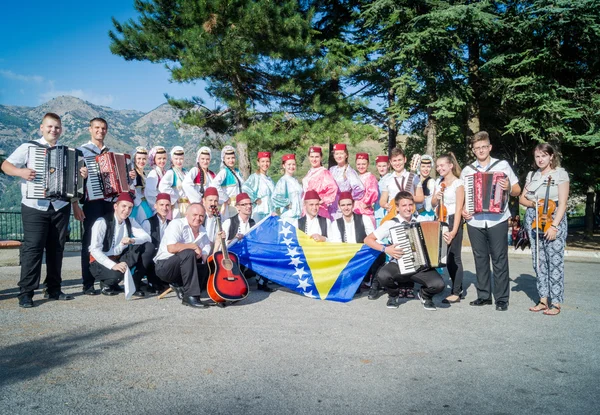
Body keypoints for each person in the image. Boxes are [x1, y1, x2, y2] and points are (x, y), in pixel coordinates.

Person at [1, 113, 83, 307]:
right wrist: (20, 171)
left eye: (57, 127)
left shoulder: (69, 152)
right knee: (33, 249)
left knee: (57, 249)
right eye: (50, 126)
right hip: (34, 206)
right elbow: (5, 165)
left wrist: (81, 179)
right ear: (41, 127)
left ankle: (53, 289)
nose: (53, 130)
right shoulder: (29, 147)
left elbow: (74, 182)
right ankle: (26, 292)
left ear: (61, 130)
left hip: (61, 206)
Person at [460, 131, 521, 311]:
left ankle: (502, 298)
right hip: (475, 221)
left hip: (498, 218)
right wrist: (464, 208)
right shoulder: (467, 170)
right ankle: (484, 296)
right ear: (473, 150)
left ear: (490, 147)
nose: (481, 150)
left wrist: (509, 187)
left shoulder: (502, 165)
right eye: (477, 148)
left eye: (484, 147)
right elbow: (462, 195)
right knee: (480, 258)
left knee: (499, 258)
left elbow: (517, 190)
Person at [364, 191, 445, 311]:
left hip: (421, 265)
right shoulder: (390, 223)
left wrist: (445, 235)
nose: (408, 208)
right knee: (383, 275)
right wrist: (386, 249)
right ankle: (393, 294)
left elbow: (436, 235)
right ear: (397, 208)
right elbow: (368, 239)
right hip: (399, 264)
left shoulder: (421, 220)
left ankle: (424, 295)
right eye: (404, 205)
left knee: (439, 285)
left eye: (410, 205)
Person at [519, 143, 569, 316]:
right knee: (538, 260)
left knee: (554, 261)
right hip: (534, 219)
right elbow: (522, 199)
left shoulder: (560, 174)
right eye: (537, 156)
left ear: (551, 157)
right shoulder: (532, 175)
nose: (540, 159)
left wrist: (554, 225)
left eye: (544, 156)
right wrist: (536, 204)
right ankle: (543, 299)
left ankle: (555, 303)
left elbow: (562, 203)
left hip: (553, 217)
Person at [76, 117, 116, 295]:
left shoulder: (111, 153)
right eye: (97, 128)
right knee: (89, 242)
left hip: (109, 202)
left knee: (108, 240)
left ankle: (107, 280)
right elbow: (73, 180)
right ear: (90, 129)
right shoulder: (81, 152)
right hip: (92, 202)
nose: (100, 131)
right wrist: (81, 176)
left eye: (103, 128)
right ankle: (88, 283)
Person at [379, 147, 424, 298]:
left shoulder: (414, 177)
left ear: (405, 160)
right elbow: (383, 199)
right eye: (394, 161)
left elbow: (420, 198)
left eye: (400, 160)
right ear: (390, 163)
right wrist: (385, 204)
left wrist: (408, 198)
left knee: (411, 250)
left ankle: (409, 284)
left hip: (410, 216)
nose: (397, 163)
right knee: (398, 250)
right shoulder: (388, 179)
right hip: (395, 217)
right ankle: (397, 282)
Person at [89, 192, 154, 296]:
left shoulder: (130, 221)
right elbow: (94, 250)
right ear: (116, 206)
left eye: (130, 207)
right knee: (117, 274)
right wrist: (113, 265)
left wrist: (132, 240)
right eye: (124, 206)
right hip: (99, 261)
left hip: (118, 257)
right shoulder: (101, 222)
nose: (127, 210)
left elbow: (147, 237)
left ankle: (134, 283)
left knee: (148, 247)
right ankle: (107, 284)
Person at [153, 203, 213, 308]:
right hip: (164, 267)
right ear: (186, 214)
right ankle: (190, 297)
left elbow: (207, 245)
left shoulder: (202, 230)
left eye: (201, 216)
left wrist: (204, 254)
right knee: (189, 252)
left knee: (206, 265)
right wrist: (193, 246)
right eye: (194, 215)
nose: (198, 218)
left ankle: (180, 285)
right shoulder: (176, 224)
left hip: (182, 268)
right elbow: (171, 248)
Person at [221, 193, 274, 292]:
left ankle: (261, 282)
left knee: (267, 252)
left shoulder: (253, 222)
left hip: (249, 254)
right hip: (233, 256)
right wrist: (234, 240)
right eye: (244, 204)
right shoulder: (229, 222)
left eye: (250, 204)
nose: (249, 206)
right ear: (238, 207)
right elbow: (221, 246)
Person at [431, 153, 465, 304]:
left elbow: (458, 209)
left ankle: (456, 292)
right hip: (439, 219)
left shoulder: (459, 184)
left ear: (451, 165)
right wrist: (436, 197)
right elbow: (432, 204)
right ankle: (454, 286)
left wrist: (453, 231)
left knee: (454, 256)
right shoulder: (439, 182)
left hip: (452, 220)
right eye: (437, 166)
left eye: (442, 165)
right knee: (443, 256)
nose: (439, 168)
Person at [142, 192, 172, 293]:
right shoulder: (147, 222)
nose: (165, 208)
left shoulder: (172, 224)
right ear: (155, 206)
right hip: (153, 259)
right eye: (161, 205)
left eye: (167, 205)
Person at [302, 146, 338, 220]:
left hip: (318, 210)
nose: (314, 159)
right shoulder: (310, 172)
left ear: (321, 158)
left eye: (317, 157)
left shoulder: (324, 172)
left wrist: (322, 200)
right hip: (307, 209)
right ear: (309, 157)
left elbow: (333, 188)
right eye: (312, 157)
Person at [329, 143, 365, 218]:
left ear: (346, 155)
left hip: (343, 209)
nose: (339, 156)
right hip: (331, 208)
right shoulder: (332, 170)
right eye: (336, 154)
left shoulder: (349, 171)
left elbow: (360, 189)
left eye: (341, 153)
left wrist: (348, 198)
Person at [211, 145, 245, 219]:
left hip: (239, 204)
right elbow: (214, 185)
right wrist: (225, 198)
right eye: (228, 158)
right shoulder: (224, 172)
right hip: (231, 205)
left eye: (233, 158)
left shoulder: (237, 172)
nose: (231, 160)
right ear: (224, 160)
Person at [242, 151, 275, 222]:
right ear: (258, 163)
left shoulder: (270, 180)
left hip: (270, 212)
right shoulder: (255, 177)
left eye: (267, 161)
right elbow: (245, 188)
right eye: (262, 161)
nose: (265, 164)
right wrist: (255, 198)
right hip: (259, 211)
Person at [272, 153, 303, 222]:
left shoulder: (295, 180)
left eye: (293, 164)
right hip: (289, 217)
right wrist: (287, 203)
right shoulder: (283, 181)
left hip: (298, 217)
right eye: (289, 164)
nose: (291, 166)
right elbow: (275, 197)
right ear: (284, 166)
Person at [159, 146, 188, 218]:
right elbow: (162, 187)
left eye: (181, 159)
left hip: (187, 205)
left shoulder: (186, 172)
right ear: (172, 159)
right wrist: (175, 197)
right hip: (177, 207)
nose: (178, 161)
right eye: (176, 159)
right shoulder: (171, 173)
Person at [353, 152, 379, 226]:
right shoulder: (356, 177)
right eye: (358, 164)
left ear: (368, 164)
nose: (361, 166)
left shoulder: (370, 177)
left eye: (363, 164)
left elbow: (373, 192)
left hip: (365, 211)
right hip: (355, 210)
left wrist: (366, 203)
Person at [130, 146, 153, 224]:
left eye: (144, 159)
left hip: (144, 202)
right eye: (139, 158)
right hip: (137, 204)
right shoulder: (133, 173)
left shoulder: (143, 173)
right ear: (135, 159)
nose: (141, 161)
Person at [416, 155, 436, 221]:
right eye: (423, 166)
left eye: (428, 167)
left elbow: (429, 205)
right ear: (419, 167)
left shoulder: (431, 182)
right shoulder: (415, 179)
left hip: (425, 216)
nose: (426, 169)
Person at [374, 155, 391, 226]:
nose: (381, 169)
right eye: (379, 166)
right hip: (378, 213)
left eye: (384, 166)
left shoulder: (390, 179)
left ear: (388, 165)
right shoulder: (379, 181)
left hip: (386, 213)